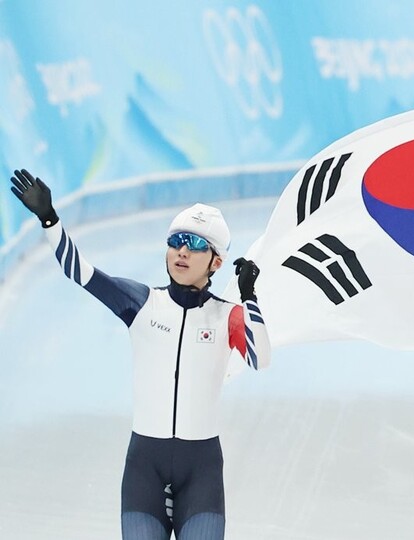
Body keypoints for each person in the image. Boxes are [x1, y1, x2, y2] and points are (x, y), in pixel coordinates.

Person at [10, 169, 271, 540]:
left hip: (201, 473)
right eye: (176, 240)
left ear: (216, 262)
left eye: (196, 244)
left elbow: (261, 358)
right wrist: (49, 219)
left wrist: (249, 298)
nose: (182, 251)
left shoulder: (226, 315)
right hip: (144, 471)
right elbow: (79, 272)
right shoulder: (141, 303)